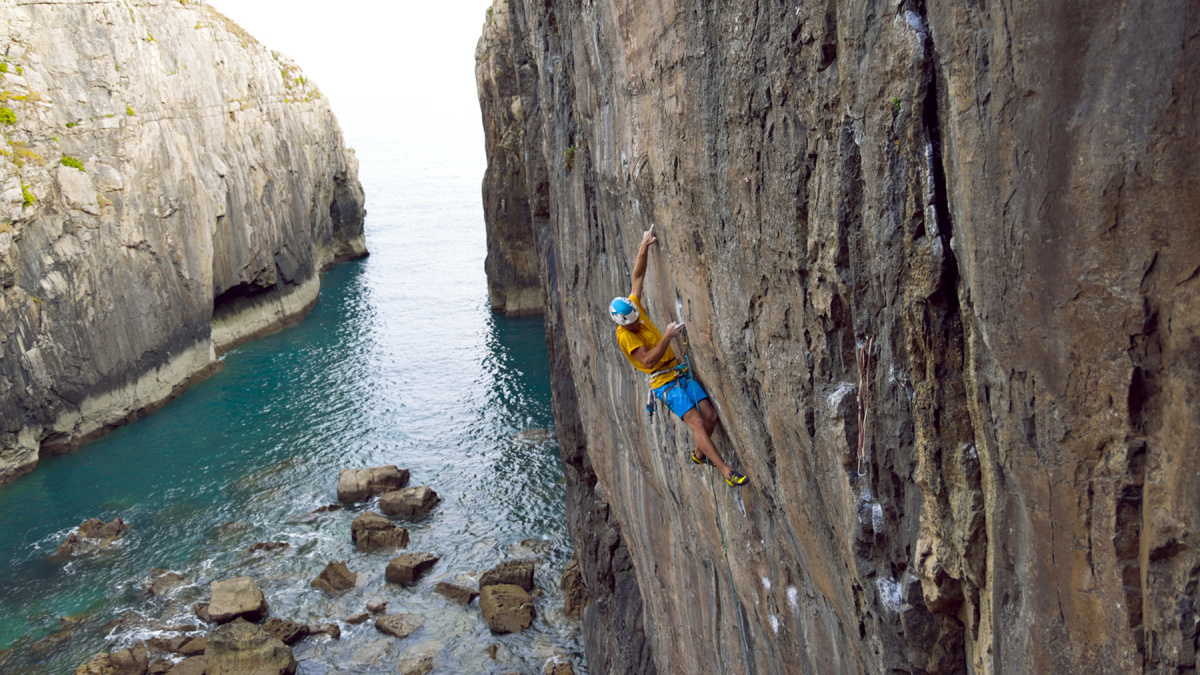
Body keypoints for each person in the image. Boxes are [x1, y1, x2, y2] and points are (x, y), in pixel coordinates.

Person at [610, 225, 748, 487]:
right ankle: (726, 471)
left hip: (678, 371)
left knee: (710, 418)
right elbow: (648, 361)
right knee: (696, 420)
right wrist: (667, 336)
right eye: (633, 324)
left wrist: (644, 244)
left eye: (637, 319)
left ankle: (699, 455)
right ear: (623, 324)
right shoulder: (626, 336)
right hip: (663, 383)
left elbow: (637, 277)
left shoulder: (632, 309)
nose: (638, 324)